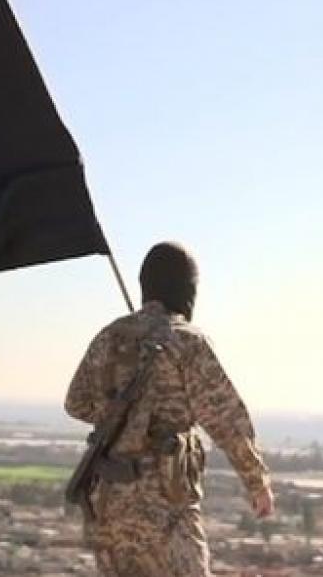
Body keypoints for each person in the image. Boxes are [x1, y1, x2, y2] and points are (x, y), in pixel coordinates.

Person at [65, 241, 275, 576]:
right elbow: (226, 419)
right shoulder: (186, 341)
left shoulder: (108, 337)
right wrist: (257, 482)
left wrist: (118, 417)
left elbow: (76, 403)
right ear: (187, 290)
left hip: (110, 509)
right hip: (166, 510)